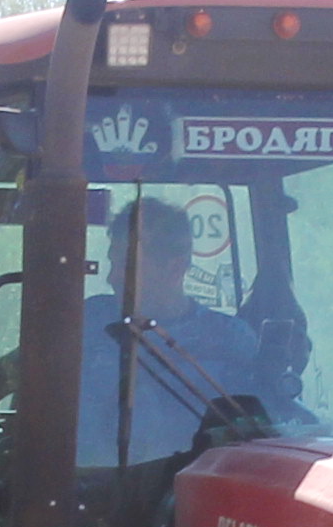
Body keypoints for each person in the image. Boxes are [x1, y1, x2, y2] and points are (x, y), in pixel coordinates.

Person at [84, 193, 277, 463]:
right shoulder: (88, 322)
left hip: (185, 489)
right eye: (113, 262)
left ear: (174, 268)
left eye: (126, 265)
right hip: (85, 489)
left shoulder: (230, 341)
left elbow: (256, 442)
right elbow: (17, 375)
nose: (111, 277)